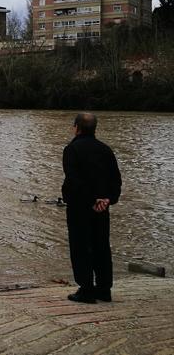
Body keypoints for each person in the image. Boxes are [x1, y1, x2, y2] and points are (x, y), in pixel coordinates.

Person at [62, 113, 122, 303]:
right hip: (102, 208)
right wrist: (108, 199)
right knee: (101, 247)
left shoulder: (72, 149)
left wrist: (91, 200)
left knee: (80, 247)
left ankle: (86, 289)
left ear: (77, 127)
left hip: (80, 208)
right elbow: (116, 179)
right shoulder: (105, 150)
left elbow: (73, 180)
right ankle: (104, 289)